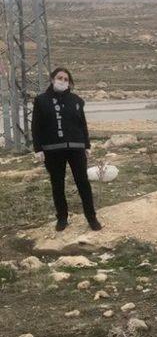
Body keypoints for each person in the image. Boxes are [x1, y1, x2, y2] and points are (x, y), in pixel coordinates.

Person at [31, 67, 102, 232]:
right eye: (59, 78)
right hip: (52, 150)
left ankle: (91, 217)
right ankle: (62, 218)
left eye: (65, 79)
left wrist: (87, 145)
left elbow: (82, 124)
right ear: (52, 79)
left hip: (76, 148)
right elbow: (36, 126)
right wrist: (38, 148)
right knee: (57, 184)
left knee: (83, 182)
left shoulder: (76, 100)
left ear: (69, 82)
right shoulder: (41, 100)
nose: (62, 81)